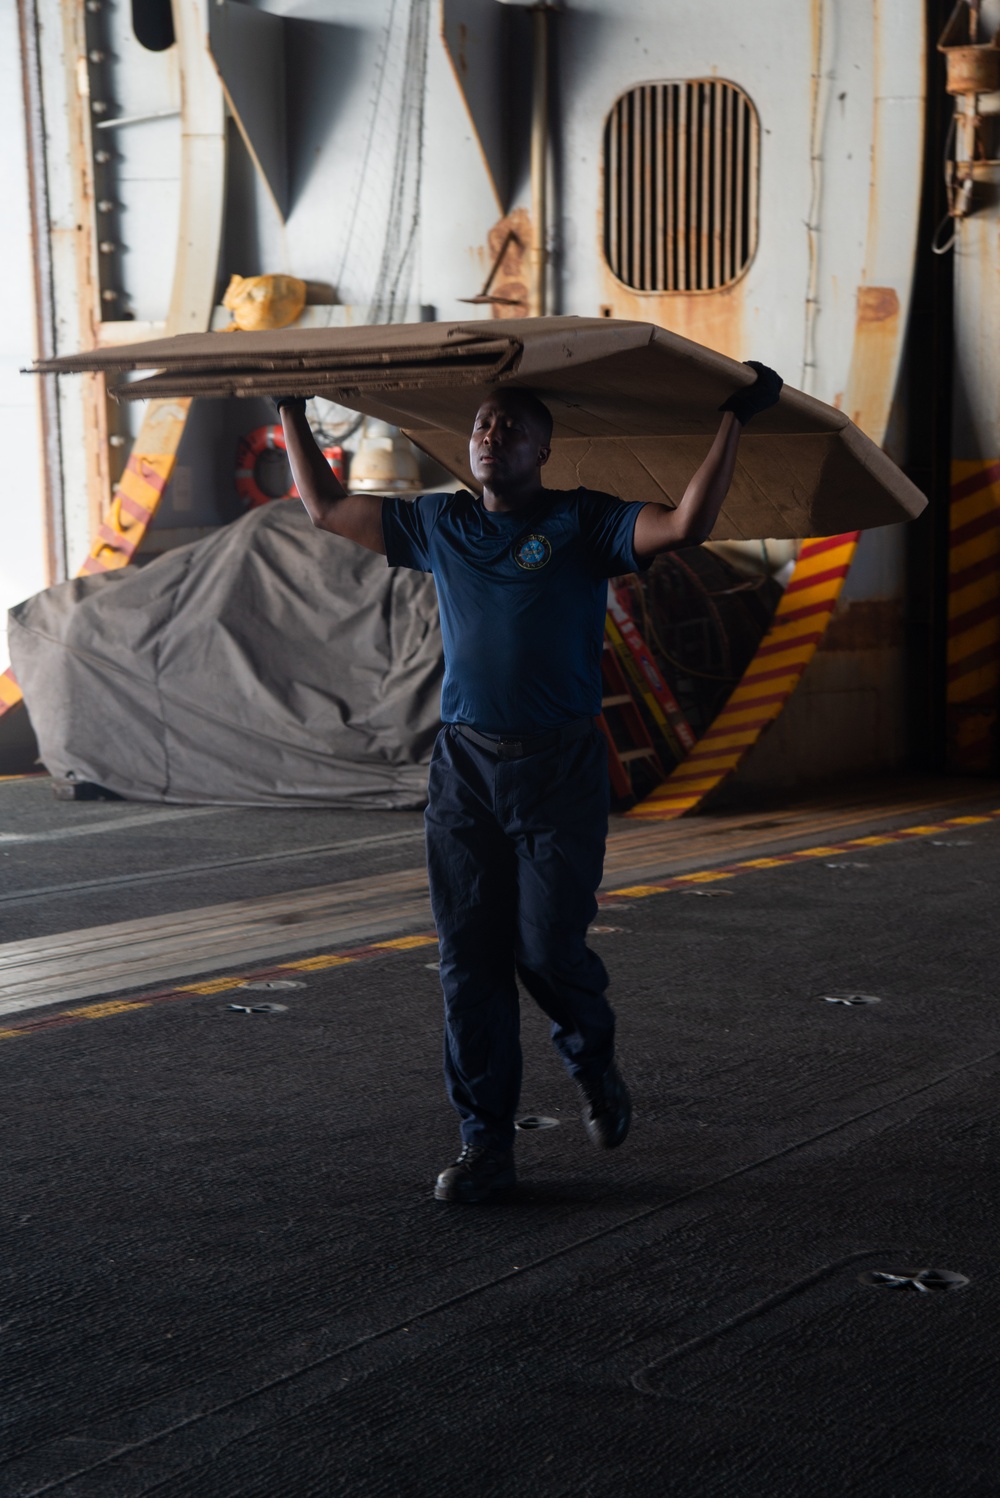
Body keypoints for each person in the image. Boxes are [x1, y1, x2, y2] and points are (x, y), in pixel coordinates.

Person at [277, 360, 782, 1203]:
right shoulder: (440, 524)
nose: (490, 436)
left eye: (511, 427)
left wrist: (734, 417)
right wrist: (290, 407)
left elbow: (688, 523)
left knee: (547, 949)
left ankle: (592, 1059)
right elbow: (327, 509)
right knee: (468, 966)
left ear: (545, 447)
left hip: (559, 768)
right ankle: (487, 1148)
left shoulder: (585, 521)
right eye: (481, 425)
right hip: (465, 770)